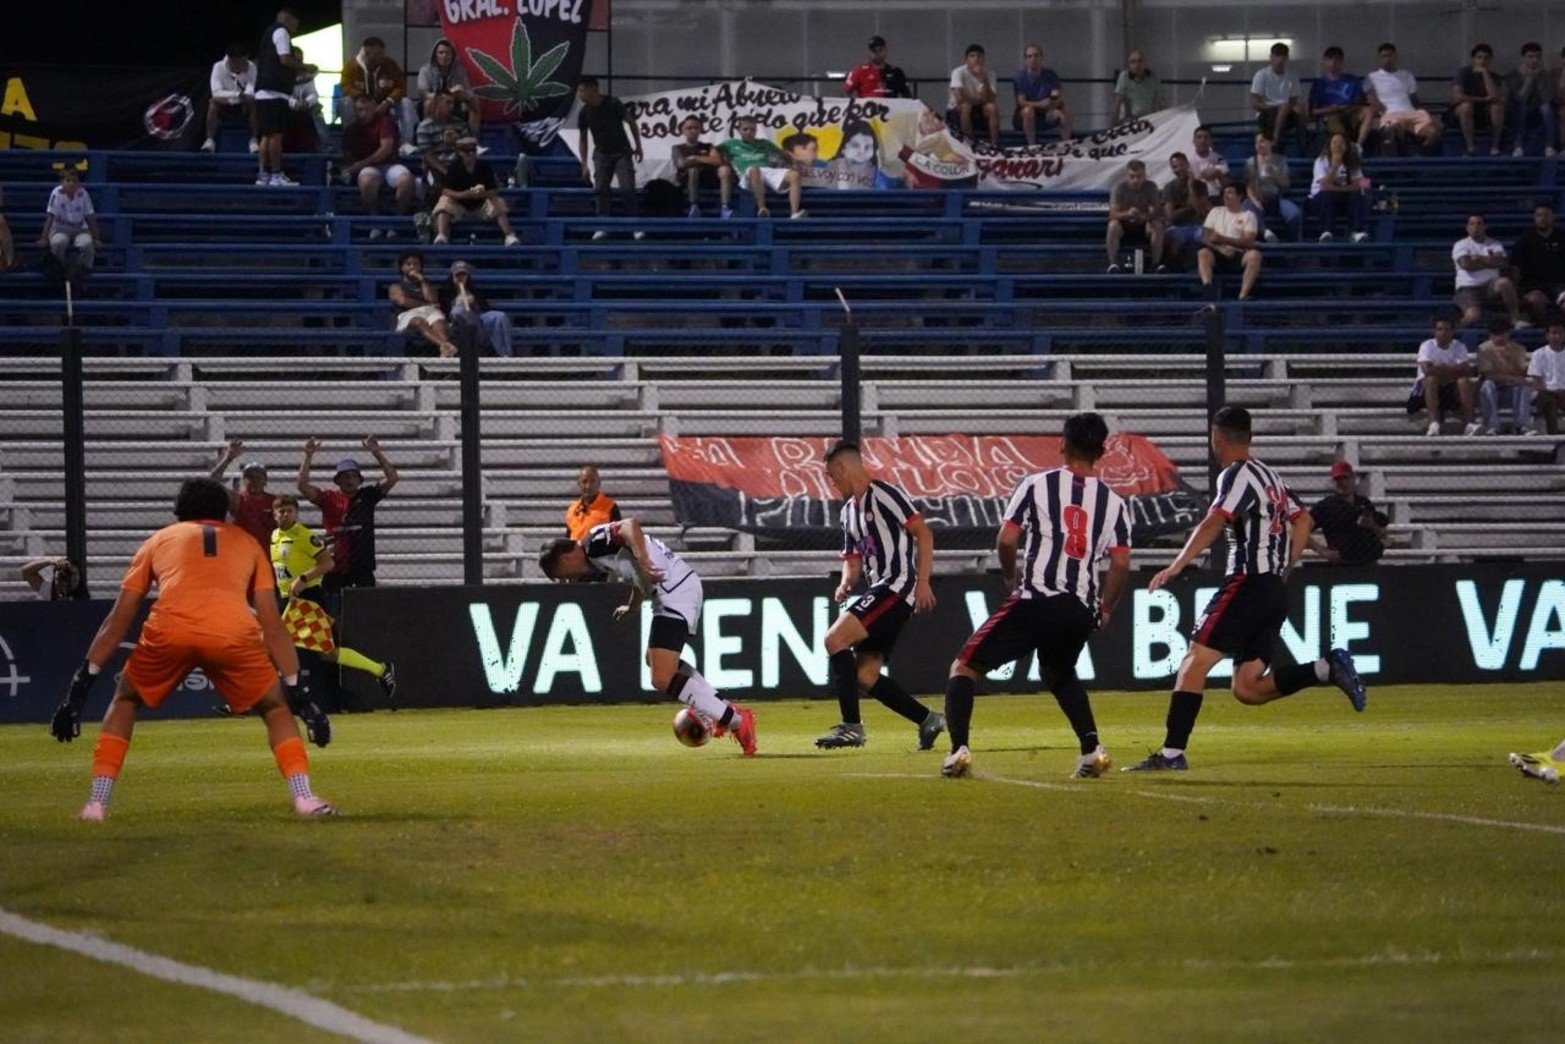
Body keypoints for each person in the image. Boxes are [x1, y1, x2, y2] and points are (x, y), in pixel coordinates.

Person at [48, 478, 336, 821]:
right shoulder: (247, 543)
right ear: (225, 514)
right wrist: (301, 695)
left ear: (178, 513)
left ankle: (96, 804)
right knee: (275, 707)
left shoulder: (157, 541)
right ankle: (304, 798)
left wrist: (76, 695)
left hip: (170, 630)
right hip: (233, 632)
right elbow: (272, 625)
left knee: (125, 698)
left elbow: (117, 621)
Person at [1123, 407, 1367, 773]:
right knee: (1248, 689)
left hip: (1247, 583)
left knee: (1193, 662)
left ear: (1217, 438)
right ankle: (1325, 668)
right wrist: (1286, 566)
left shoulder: (1236, 475)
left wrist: (1176, 565)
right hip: (1272, 589)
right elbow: (1303, 519)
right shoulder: (1269, 475)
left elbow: (1214, 521)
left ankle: (1172, 754)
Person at [940, 413, 1131, 780]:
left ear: (1062, 443)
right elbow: (1121, 562)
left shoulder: (1037, 485)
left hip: (1038, 597)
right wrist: (1106, 607)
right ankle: (1092, 750)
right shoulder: (1114, 504)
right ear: (1102, 451)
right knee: (1059, 672)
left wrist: (1011, 576)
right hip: (1080, 606)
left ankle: (958, 750)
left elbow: (1007, 539)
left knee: (965, 666)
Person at [539, 520, 758, 756]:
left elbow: (630, 526)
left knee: (661, 678)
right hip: (673, 591)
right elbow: (637, 575)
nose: (568, 580)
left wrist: (642, 556)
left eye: (561, 575)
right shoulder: (595, 555)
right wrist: (633, 606)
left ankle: (735, 720)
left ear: (565, 560)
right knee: (654, 662)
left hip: (674, 592)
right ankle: (721, 709)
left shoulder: (594, 544)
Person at [812, 441, 944, 752]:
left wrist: (922, 581)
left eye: (832, 476)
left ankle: (851, 728)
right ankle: (927, 719)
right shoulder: (848, 513)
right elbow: (853, 561)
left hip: (896, 586)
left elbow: (923, 533)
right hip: (881, 589)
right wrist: (846, 583)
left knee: (834, 639)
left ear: (844, 468)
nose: (833, 483)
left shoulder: (885, 494)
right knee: (865, 674)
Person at [270, 494, 396, 708]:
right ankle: (380, 669)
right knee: (324, 654)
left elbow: (327, 563)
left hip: (306, 600)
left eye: (290, 510)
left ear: (297, 513)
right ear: (274, 515)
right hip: (287, 600)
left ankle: (246, 701)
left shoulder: (303, 536)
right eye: (281, 511)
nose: (285, 514)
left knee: (277, 646)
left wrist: (302, 579)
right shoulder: (274, 535)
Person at [298, 436, 398, 595]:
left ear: (359, 480)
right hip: (335, 567)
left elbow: (392, 478)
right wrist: (308, 455)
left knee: (365, 611)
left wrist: (377, 453)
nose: (349, 480)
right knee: (334, 613)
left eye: (353, 475)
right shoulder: (328, 498)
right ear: (337, 480)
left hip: (362, 567)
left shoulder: (367, 496)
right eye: (344, 476)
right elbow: (302, 486)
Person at [254, 8, 316, 187]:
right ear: (290, 20)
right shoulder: (281, 32)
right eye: (296, 23)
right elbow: (285, 59)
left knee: (266, 136)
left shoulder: (267, 34)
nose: (296, 27)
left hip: (263, 93)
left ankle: (262, 174)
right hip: (275, 92)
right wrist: (304, 66)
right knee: (276, 136)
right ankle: (275, 174)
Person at [576, 77, 643, 238]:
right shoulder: (584, 112)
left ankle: (634, 225)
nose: (579, 94)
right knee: (600, 189)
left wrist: (638, 146)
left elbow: (631, 122)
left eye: (582, 90)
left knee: (627, 188)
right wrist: (584, 163)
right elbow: (583, 139)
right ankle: (602, 225)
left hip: (622, 152)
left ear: (593, 89)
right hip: (601, 154)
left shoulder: (613, 104)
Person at [342, 94, 414, 235]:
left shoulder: (384, 122)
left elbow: (385, 150)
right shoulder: (351, 130)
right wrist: (348, 168)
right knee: (367, 181)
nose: (363, 113)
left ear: (374, 107)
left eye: (366, 109)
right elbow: (347, 157)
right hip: (369, 169)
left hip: (389, 164)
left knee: (406, 180)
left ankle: (397, 222)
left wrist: (361, 163)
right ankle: (375, 222)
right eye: (359, 110)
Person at [432, 138, 520, 246]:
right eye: (466, 151)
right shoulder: (454, 168)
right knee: (444, 201)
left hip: (481, 204)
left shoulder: (484, 167)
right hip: (460, 205)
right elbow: (445, 190)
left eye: (473, 151)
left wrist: (483, 194)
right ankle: (442, 235)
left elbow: (493, 190)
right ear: (460, 153)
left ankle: (509, 235)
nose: (470, 154)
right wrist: (463, 195)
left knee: (498, 202)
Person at [719, 116, 804, 219]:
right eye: (745, 129)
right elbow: (714, 152)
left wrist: (793, 163)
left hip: (766, 171)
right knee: (754, 169)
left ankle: (794, 213)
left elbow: (783, 154)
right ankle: (762, 208)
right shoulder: (731, 144)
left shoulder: (764, 143)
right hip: (747, 175)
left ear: (756, 130)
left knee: (794, 175)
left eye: (752, 129)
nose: (749, 132)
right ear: (739, 130)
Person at [1410, 316, 1481, 437]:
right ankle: (1433, 424)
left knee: (1464, 382)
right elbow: (1427, 370)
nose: (1443, 333)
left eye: (1447, 329)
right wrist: (1451, 370)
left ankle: (1469, 424)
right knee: (1431, 380)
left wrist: (1438, 369)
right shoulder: (1427, 346)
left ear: (1453, 331)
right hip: (1426, 390)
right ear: (1435, 331)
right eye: (1440, 329)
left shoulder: (1459, 346)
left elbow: (1464, 369)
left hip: (1451, 387)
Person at [341, 36, 416, 149]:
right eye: (378, 54)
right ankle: (351, 142)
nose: (382, 57)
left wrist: (388, 101)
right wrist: (363, 100)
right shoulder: (351, 66)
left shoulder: (390, 64)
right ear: (366, 53)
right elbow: (345, 87)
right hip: (361, 106)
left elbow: (401, 87)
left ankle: (406, 143)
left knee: (406, 102)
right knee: (345, 102)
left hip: (385, 106)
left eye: (382, 53)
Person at [1365, 42, 1441, 153]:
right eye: (1384, 56)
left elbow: (1414, 99)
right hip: (1391, 114)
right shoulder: (1372, 77)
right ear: (1379, 58)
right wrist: (1381, 114)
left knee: (1434, 133)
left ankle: (1422, 156)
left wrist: (1428, 113)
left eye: (1390, 56)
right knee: (1394, 131)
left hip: (1411, 113)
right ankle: (1403, 158)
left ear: (1395, 56)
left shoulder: (1407, 75)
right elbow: (1371, 99)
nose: (1387, 59)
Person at [1307, 461, 1388, 566]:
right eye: (1338, 479)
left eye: (1345, 478)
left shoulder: (1363, 502)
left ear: (1353, 478)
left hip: (1368, 564)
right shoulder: (1326, 506)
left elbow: (1383, 533)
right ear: (1332, 482)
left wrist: (1371, 525)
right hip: (1342, 565)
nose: (1343, 483)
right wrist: (1323, 551)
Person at [1452, 213, 1524, 329]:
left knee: (1504, 282)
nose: (1475, 227)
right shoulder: (1461, 245)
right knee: (1473, 316)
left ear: (1485, 227)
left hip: (1490, 287)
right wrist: (1491, 261)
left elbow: (1502, 263)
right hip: (1468, 288)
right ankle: (1453, 330)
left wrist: (1478, 258)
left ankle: (1515, 319)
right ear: (1467, 227)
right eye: (1472, 224)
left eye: (1479, 224)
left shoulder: (1494, 244)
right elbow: (1467, 264)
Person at [210, 438, 277, 550]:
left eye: (258, 477)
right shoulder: (239, 500)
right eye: (250, 477)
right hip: (242, 552)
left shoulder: (274, 502)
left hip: (266, 555)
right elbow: (212, 484)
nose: (254, 481)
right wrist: (228, 458)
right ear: (244, 481)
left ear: (265, 481)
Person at [1197, 183, 1261, 301]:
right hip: (1217, 253)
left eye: (1230, 193)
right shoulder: (1215, 212)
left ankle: (1243, 294)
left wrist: (1222, 239)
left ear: (1240, 196)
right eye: (1225, 193)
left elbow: (1248, 241)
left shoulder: (1248, 215)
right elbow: (1206, 237)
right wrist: (1221, 248)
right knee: (1203, 252)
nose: (1226, 196)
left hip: (1238, 254)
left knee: (1255, 255)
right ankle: (1208, 288)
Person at [388, 249, 456, 356]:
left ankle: (445, 350)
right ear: (402, 267)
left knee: (439, 322)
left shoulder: (427, 284)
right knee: (419, 321)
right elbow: (402, 301)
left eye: (415, 264)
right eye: (408, 264)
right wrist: (426, 305)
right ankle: (444, 344)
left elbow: (432, 299)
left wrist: (422, 281)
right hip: (408, 314)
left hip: (429, 312)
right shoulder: (396, 286)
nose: (412, 267)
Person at [1475, 318, 1537, 435]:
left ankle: (1522, 425)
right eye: (1496, 334)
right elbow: (1488, 375)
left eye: (1502, 333)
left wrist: (1510, 358)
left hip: (1512, 391)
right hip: (1495, 390)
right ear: (1490, 334)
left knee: (1524, 387)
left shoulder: (1518, 349)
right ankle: (1492, 426)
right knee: (1487, 385)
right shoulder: (1483, 349)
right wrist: (1510, 378)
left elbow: (1521, 373)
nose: (1499, 337)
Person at [1105, 159, 1166, 274]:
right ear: (1126, 176)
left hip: (1144, 226)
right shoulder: (1119, 188)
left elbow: (1156, 211)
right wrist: (1128, 214)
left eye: (1139, 176)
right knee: (1113, 225)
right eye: (1132, 176)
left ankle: (1156, 263)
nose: (1136, 180)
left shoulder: (1151, 187)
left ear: (1145, 175)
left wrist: (1144, 216)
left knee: (1157, 225)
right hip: (1124, 226)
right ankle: (1113, 264)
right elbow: (1112, 214)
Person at [1307, 133, 1371, 243]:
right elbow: (1324, 186)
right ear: (1329, 146)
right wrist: (1334, 166)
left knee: (1356, 196)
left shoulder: (1352, 162)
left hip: (1341, 198)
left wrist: (1338, 188)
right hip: (1318, 199)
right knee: (1326, 195)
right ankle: (1326, 232)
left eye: (1342, 143)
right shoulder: (1321, 161)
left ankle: (1355, 232)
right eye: (1335, 143)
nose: (1338, 146)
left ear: (1346, 146)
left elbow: (1357, 185)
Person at [442, 260, 513, 357]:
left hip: (478, 321)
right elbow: (443, 311)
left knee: (499, 316)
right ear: (452, 276)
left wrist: (475, 304)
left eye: (463, 275)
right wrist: (455, 303)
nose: (461, 278)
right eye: (457, 275)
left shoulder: (473, 290)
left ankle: (505, 354)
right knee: (458, 311)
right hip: (459, 326)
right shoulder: (445, 292)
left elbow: (486, 309)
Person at [40, 169, 102, 277]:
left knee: (86, 244)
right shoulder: (56, 193)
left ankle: (85, 270)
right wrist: (44, 237)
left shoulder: (83, 194)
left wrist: (96, 238)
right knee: (58, 242)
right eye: (68, 180)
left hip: (80, 228)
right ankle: (59, 269)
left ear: (79, 183)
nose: (71, 183)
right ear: (62, 182)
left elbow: (90, 216)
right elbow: (51, 216)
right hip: (60, 228)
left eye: (74, 181)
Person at [1242, 132, 1302, 242]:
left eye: (1262, 141)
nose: (1259, 145)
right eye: (1256, 142)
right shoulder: (1250, 162)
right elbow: (1249, 187)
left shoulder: (1280, 160)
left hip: (1277, 199)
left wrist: (1275, 174)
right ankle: (1266, 232)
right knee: (1247, 207)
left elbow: (1286, 183)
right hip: (1258, 198)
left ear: (1271, 143)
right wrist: (1255, 201)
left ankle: (1293, 245)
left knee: (1295, 214)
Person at [671, 115, 734, 218]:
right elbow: (681, 163)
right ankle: (694, 207)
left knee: (725, 169)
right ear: (683, 130)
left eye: (696, 128)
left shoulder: (708, 146)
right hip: (688, 180)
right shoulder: (677, 148)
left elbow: (718, 161)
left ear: (700, 130)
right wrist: (706, 160)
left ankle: (725, 207)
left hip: (708, 178)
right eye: (689, 128)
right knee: (693, 170)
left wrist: (696, 158)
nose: (693, 131)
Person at [1513, 201, 1565, 324]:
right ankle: (1544, 329)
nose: (1543, 219)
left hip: (1559, 285)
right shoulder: (1525, 239)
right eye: (1539, 215)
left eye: (1546, 215)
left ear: (1553, 217)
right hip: (1532, 286)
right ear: (1535, 218)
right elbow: (1515, 267)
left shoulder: (1562, 237)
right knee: (1537, 300)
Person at [1309, 47, 1371, 149]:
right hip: (1329, 114)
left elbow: (1360, 103)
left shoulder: (1352, 80)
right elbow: (1313, 111)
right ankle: (1347, 148)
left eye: (1337, 60)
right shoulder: (1319, 84)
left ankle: (1358, 146)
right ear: (1324, 61)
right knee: (1334, 123)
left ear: (1342, 62)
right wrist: (1331, 109)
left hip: (1349, 112)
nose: (1333, 63)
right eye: (1330, 59)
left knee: (1369, 111)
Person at [415, 38, 479, 136]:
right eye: (441, 53)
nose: (444, 56)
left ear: (452, 56)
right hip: (434, 100)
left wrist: (463, 93)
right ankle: (427, 134)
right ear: (435, 55)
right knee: (428, 103)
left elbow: (468, 90)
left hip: (455, 100)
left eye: (448, 53)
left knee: (474, 101)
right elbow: (423, 92)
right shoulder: (425, 70)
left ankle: (473, 138)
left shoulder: (459, 70)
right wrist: (445, 94)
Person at [1451, 43, 1506, 157]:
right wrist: (1482, 99)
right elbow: (1458, 96)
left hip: (1484, 111)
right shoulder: (1464, 73)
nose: (1482, 61)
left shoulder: (1494, 76)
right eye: (1479, 57)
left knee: (1498, 108)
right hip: (1463, 110)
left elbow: (1495, 96)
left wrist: (1485, 74)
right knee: (1467, 106)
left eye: (1486, 58)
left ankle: (1494, 146)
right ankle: (1470, 147)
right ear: (1473, 59)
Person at [202, 45, 258, 153]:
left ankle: (254, 140)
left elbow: (250, 91)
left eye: (243, 62)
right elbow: (216, 92)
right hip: (225, 103)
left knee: (253, 102)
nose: (241, 65)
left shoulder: (252, 67)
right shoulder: (218, 67)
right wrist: (237, 95)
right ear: (231, 60)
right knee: (213, 102)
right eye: (238, 63)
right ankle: (210, 140)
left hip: (243, 104)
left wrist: (240, 97)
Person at [1013, 45, 1072, 145]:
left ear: (1042, 58)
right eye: (1030, 56)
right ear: (1025, 60)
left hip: (1046, 112)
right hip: (1026, 115)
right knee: (1028, 111)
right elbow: (1021, 102)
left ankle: (1066, 143)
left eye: (1036, 56)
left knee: (1066, 109)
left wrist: (1052, 107)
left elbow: (1057, 96)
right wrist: (1039, 104)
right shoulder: (1020, 77)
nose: (1033, 59)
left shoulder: (1051, 75)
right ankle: (1032, 145)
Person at [1162, 151, 1211, 269]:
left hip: (1196, 224)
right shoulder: (1169, 187)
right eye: (1174, 167)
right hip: (1177, 226)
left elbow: (1200, 211)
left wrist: (1191, 188)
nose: (1178, 169)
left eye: (1181, 165)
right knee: (1178, 238)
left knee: (1206, 236)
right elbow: (1171, 216)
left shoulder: (1200, 185)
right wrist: (1190, 207)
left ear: (1187, 165)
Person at [1249, 42, 1303, 148]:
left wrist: (1285, 109)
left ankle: (1276, 140)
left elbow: (1293, 102)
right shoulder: (1261, 75)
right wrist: (1273, 108)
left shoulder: (1292, 77)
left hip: (1287, 116)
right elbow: (1255, 103)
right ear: (1271, 57)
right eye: (1277, 56)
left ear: (1286, 58)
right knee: (1281, 109)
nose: (1280, 60)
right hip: (1267, 113)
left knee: (1293, 110)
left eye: (1282, 57)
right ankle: (1274, 139)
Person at [1505, 43, 1554, 157]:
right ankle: (1518, 146)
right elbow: (1520, 97)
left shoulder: (1544, 74)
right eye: (1531, 57)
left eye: (1537, 57)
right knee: (1522, 108)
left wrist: (1538, 79)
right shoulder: (1513, 74)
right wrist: (1529, 80)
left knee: (1547, 109)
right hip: (1518, 107)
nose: (1534, 60)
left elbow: (1546, 97)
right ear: (1523, 58)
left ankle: (1549, 146)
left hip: (1539, 106)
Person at [415, 90, 470, 189]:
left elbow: (466, 149)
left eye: (453, 103)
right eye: (447, 103)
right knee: (437, 187)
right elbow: (428, 156)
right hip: (434, 167)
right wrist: (446, 172)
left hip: (456, 164)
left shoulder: (459, 124)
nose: (452, 106)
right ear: (437, 104)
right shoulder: (424, 127)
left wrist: (456, 143)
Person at [949, 44, 1000, 147]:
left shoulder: (989, 74)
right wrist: (980, 99)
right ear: (966, 59)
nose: (976, 59)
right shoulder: (958, 72)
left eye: (979, 56)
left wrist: (984, 79)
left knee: (992, 107)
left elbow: (991, 98)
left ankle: (994, 144)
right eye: (972, 56)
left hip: (979, 109)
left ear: (983, 59)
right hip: (957, 110)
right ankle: (969, 144)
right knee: (966, 106)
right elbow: (959, 98)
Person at [1527, 320, 1565, 435]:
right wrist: (1554, 392)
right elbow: (1537, 382)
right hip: (1546, 393)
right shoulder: (1538, 354)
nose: (1557, 336)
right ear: (1547, 335)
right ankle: (1553, 436)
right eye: (1554, 333)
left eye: (1560, 333)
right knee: (1548, 400)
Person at [565, 465, 620, 541]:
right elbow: (567, 539)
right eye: (584, 481)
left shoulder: (610, 507)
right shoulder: (572, 510)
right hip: (577, 551)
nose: (588, 486)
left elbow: (618, 537)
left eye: (592, 481)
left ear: (599, 483)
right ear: (579, 484)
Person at [845, 36, 910, 99]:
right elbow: (847, 91)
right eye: (874, 51)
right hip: (868, 108)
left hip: (891, 109)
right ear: (869, 52)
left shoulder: (896, 72)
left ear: (886, 50)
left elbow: (907, 96)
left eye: (880, 50)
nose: (877, 54)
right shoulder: (859, 71)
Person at [1114, 49, 1163, 121]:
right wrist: (1114, 123)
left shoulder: (1153, 78)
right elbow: (1117, 101)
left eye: (1140, 61)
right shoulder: (1124, 77)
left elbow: (1159, 101)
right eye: (1133, 61)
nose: (1137, 64)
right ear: (1129, 64)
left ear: (1145, 63)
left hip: (1150, 118)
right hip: (1130, 119)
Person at [1188, 124, 1228, 201]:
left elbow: (1226, 184)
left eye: (1206, 137)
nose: (1203, 140)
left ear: (1211, 141)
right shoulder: (1189, 160)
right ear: (1194, 141)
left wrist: (1218, 173)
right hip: (1198, 198)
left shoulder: (1219, 159)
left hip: (1218, 197)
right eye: (1199, 137)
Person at [20, 557, 88, 601]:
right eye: (62, 574)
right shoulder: (50, 590)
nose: (68, 578)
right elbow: (26, 572)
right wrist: (50, 561)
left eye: (73, 574)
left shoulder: (84, 596)